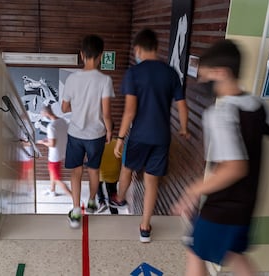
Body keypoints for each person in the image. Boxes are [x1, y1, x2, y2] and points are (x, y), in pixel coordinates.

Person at [173, 39, 269, 276]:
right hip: (246, 205)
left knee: (194, 251)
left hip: (222, 207)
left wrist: (192, 191)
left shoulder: (220, 114)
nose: (200, 82)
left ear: (220, 73)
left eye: (204, 75)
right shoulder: (259, 106)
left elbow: (234, 168)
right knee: (235, 255)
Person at [111, 28, 189, 243]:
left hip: (138, 137)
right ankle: (145, 228)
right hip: (162, 137)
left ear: (138, 49)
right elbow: (182, 106)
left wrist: (120, 139)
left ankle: (119, 198)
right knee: (151, 182)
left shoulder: (134, 73)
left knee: (127, 168)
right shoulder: (170, 72)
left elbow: (129, 111)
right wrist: (184, 128)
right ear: (156, 47)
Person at [61, 34, 114, 228]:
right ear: (100, 55)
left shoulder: (72, 79)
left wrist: (80, 107)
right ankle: (92, 201)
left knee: (75, 172)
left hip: (75, 134)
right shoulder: (105, 80)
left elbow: (64, 108)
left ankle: (76, 212)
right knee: (94, 170)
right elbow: (106, 112)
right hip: (96, 135)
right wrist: (109, 131)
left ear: (82, 54)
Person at [37, 105, 72, 198]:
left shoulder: (51, 126)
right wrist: (48, 140)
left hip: (54, 156)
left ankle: (74, 198)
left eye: (42, 114)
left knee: (57, 178)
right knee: (52, 173)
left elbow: (52, 144)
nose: (42, 116)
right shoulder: (62, 121)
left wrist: (42, 142)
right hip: (62, 152)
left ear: (46, 113)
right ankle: (52, 190)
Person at [97, 136, 121, 214]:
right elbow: (121, 159)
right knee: (112, 191)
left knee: (96, 183)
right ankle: (114, 211)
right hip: (113, 173)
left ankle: (101, 202)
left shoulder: (97, 143)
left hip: (101, 173)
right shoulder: (118, 143)